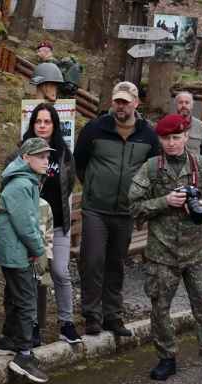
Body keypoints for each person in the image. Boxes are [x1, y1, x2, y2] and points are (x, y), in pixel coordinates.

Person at [129, 114, 202, 384]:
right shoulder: (151, 168)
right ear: (160, 140)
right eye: (166, 138)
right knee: (160, 309)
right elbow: (134, 205)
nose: (171, 143)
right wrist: (164, 201)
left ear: (185, 137)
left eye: (176, 137)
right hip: (162, 252)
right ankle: (166, 358)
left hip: (199, 252)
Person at [74, 81, 160, 336]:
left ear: (136, 103)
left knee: (116, 262)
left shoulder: (148, 134)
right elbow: (79, 163)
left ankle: (112, 316)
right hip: (95, 210)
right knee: (92, 261)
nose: (120, 105)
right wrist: (93, 188)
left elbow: (153, 170)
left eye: (125, 101)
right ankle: (91, 314)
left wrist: (139, 199)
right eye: (117, 101)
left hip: (126, 212)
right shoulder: (95, 128)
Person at [5, 103, 81, 345]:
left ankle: (66, 324)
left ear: (54, 125)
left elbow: (68, 185)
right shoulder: (19, 152)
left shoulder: (63, 153)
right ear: (32, 124)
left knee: (60, 272)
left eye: (47, 122)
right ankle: (32, 325)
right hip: (30, 226)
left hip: (57, 225)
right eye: (38, 121)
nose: (42, 126)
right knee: (32, 276)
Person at [0, 137, 52, 384]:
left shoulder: (26, 180)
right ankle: (24, 356)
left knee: (15, 295)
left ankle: (8, 339)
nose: (46, 162)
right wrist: (37, 249)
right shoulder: (20, 185)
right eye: (41, 157)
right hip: (17, 251)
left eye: (47, 157)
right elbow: (26, 224)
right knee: (27, 300)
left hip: (16, 249)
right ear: (26, 159)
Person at [175, 91, 202, 156]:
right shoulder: (168, 125)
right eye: (180, 102)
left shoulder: (201, 127)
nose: (183, 105)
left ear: (192, 105)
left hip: (194, 165)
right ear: (176, 105)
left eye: (187, 102)